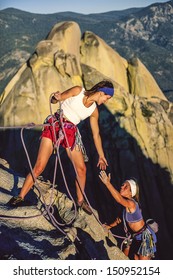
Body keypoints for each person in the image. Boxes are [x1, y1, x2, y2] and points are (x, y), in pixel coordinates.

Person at [8, 80, 114, 214]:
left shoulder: (94, 111)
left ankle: (80, 201)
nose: (106, 101)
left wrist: (101, 155)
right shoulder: (78, 91)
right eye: (107, 97)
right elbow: (57, 99)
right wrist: (55, 98)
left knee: (81, 169)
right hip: (55, 125)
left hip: (70, 132)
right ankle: (20, 196)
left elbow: (96, 134)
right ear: (101, 92)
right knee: (40, 166)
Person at [99, 171, 157, 259]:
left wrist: (108, 184)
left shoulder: (131, 204)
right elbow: (119, 219)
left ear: (131, 193)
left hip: (144, 238)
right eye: (123, 184)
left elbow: (119, 199)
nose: (122, 186)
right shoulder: (126, 207)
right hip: (136, 237)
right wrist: (108, 226)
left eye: (126, 186)